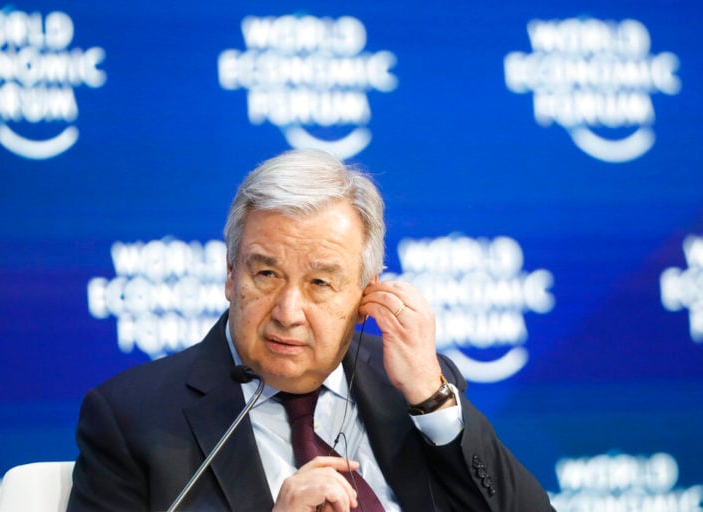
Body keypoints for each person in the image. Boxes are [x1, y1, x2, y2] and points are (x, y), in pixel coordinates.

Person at [67, 149, 554, 511]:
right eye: (266, 274)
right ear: (230, 274)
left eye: (320, 282)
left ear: (365, 292)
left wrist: (432, 399)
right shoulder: (131, 418)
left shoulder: (409, 386)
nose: (288, 312)